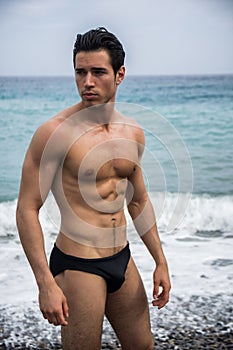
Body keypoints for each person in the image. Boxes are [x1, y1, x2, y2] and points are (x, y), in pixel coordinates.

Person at [16, 27, 171, 350]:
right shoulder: (55, 133)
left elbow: (138, 201)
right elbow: (28, 208)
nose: (87, 82)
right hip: (78, 264)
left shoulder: (132, 132)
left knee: (143, 346)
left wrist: (160, 260)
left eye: (98, 72)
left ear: (120, 75)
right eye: (80, 72)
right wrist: (45, 282)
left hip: (122, 259)